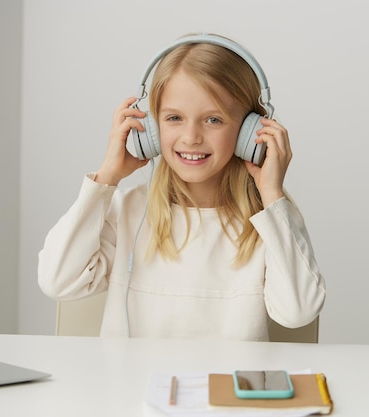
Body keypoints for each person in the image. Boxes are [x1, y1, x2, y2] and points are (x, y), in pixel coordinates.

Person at [37, 34, 326, 340]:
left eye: (213, 120)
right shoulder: (127, 212)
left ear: (250, 131)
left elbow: (298, 312)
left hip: (225, 388)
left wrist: (271, 194)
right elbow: (58, 280)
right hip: (134, 387)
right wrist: (107, 177)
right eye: (174, 118)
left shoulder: (269, 223)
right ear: (150, 128)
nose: (191, 137)